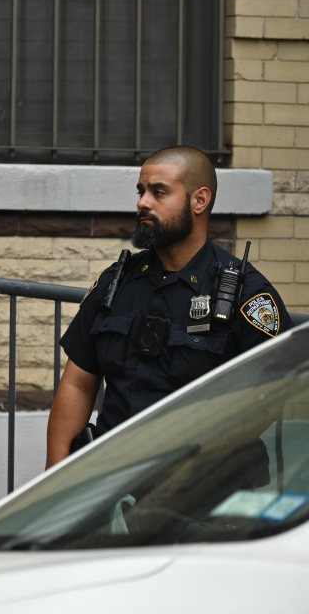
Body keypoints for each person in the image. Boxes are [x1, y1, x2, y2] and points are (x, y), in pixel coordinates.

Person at [45, 146, 288, 469]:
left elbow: (271, 397)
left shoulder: (246, 294)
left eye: (159, 192)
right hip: (113, 480)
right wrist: (55, 479)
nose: (143, 202)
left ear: (199, 201)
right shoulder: (116, 284)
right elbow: (78, 383)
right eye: (141, 191)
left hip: (201, 495)